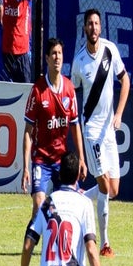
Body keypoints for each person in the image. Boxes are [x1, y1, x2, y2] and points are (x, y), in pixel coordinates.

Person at [70, 9, 131, 259]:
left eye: (97, 24)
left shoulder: (110, 50)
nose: (94, 28)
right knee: (104, 184)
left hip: (109, 130)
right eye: (90, 24)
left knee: (113, 189)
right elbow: (72, 96)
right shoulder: (79, 61)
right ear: (84, 28)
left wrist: (118, 114)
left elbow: (125, 80)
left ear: (101, 27)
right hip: (92, 130)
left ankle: (81, 197)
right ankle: (104, 243)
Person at [22, 38, 86, 215]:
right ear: (47, 59)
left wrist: (81, 159)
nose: (58, 58)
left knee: (73, 206)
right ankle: (35, 240)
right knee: (38, 204)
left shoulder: (69, 89)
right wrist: (26, 167)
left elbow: (75, 126)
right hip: (41, 160)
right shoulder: (37, 91)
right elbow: (28, 132)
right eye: (54, 54)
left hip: (61, 161)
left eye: (60, 53)